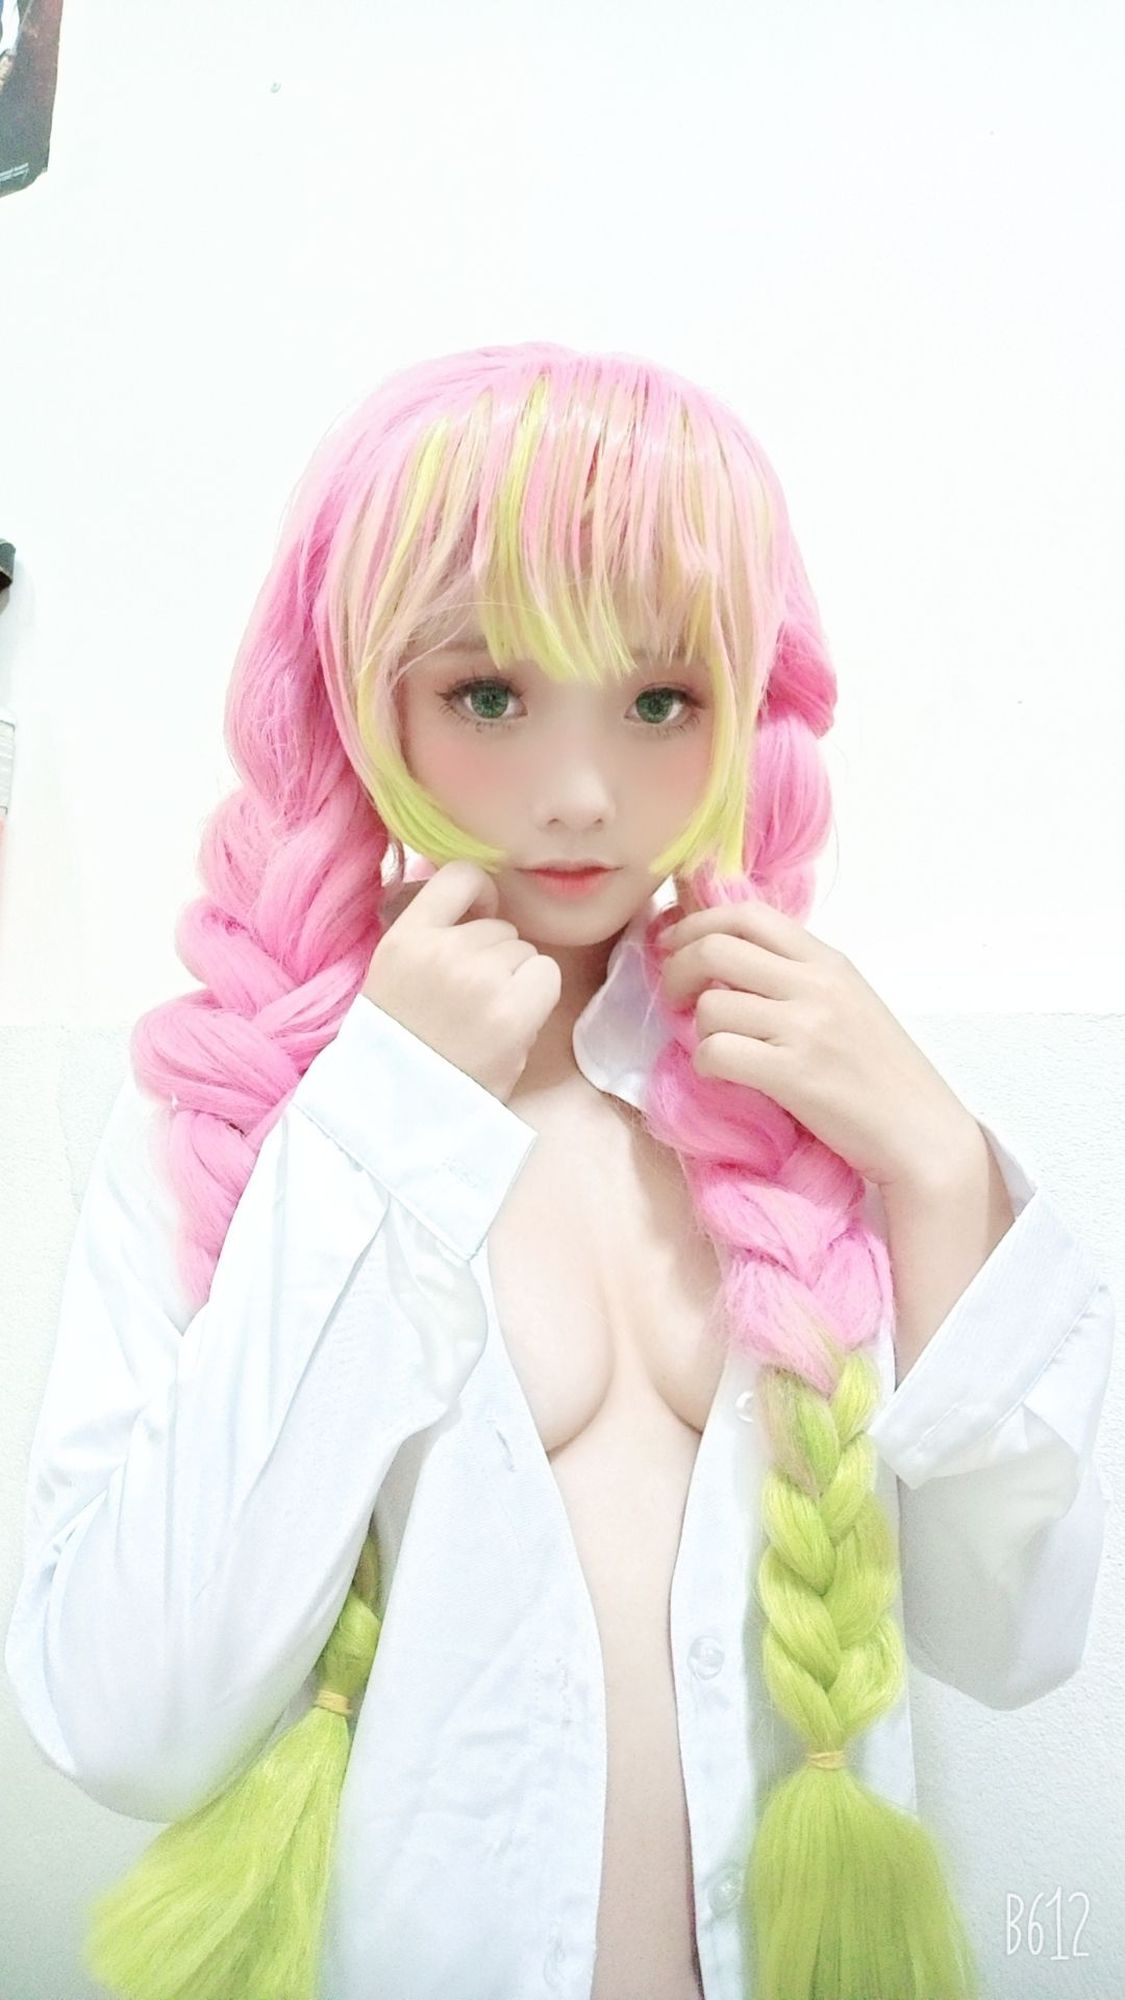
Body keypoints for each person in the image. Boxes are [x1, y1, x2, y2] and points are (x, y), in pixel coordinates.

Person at [5, 342, 1114, 2000]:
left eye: (659, 700)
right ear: (361, 692)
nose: (583, 796)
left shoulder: (809, 1105)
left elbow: (1008, 1635)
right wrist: (377, 1130)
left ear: (745, 705)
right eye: (488, 694)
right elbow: (122, 1720)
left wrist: (940, 1172)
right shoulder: (241, 1113)